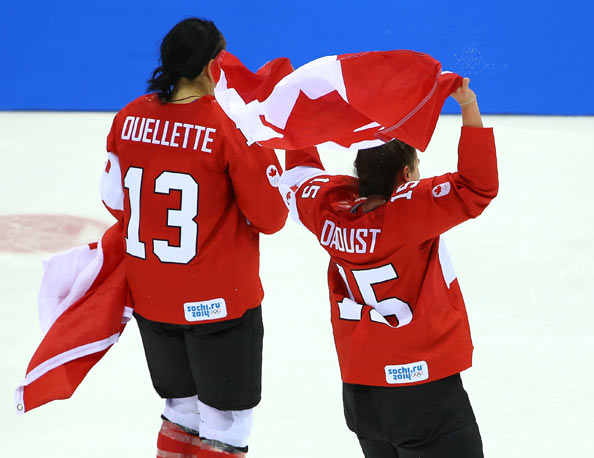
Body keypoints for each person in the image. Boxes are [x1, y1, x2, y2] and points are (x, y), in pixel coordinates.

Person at [279, 78, 498, 457]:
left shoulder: (329, 212)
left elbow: (299, 177)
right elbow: (477, 187)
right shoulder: (409, 213)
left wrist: (300, 118)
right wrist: (468, 107)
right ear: (406, 176)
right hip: (423, 390)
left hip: (363, 394)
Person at [99, 18, 288, 458]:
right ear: (208, 66)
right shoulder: (229, 126)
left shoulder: (128, 116)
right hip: (218, 303)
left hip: (152, 298)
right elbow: (272, 216)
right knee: (226, 423)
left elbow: (114, 200)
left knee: (180, 409)